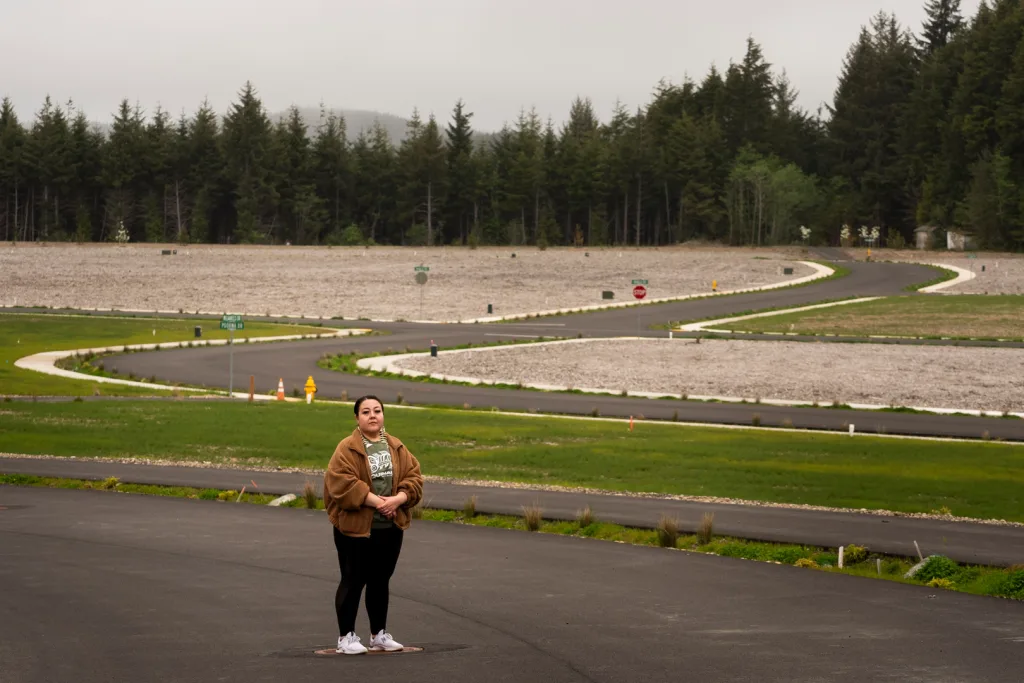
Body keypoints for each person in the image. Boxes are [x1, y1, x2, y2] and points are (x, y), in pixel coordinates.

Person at [323, 395, 423, 655]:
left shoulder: (396, 447)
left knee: (380, 581)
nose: (372, 416)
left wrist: (399, 499)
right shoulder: (347, 448)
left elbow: (414, 477)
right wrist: (377, 502)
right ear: (357, 418)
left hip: (389, 527)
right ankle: (346, 638)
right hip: (355, 529)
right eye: (365, 412)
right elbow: (341, 483)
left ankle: (379, 634)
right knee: (353, 580)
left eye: (377, 410)